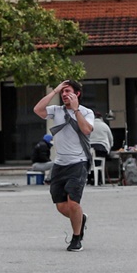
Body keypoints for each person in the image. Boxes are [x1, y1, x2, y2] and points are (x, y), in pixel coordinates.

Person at [35, 79, 94, 250]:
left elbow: (86, 130)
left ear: (77, 94)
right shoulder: (56, 111)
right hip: (60, 164)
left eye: (68, 91)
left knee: (73, 202)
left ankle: (77, 238)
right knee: (61, 206)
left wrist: (76, 111)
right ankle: (80, 218)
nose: (64, 95)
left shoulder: (86, 112)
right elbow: (37, 110)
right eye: (63, 92)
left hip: (78, 162)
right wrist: (54, 91)